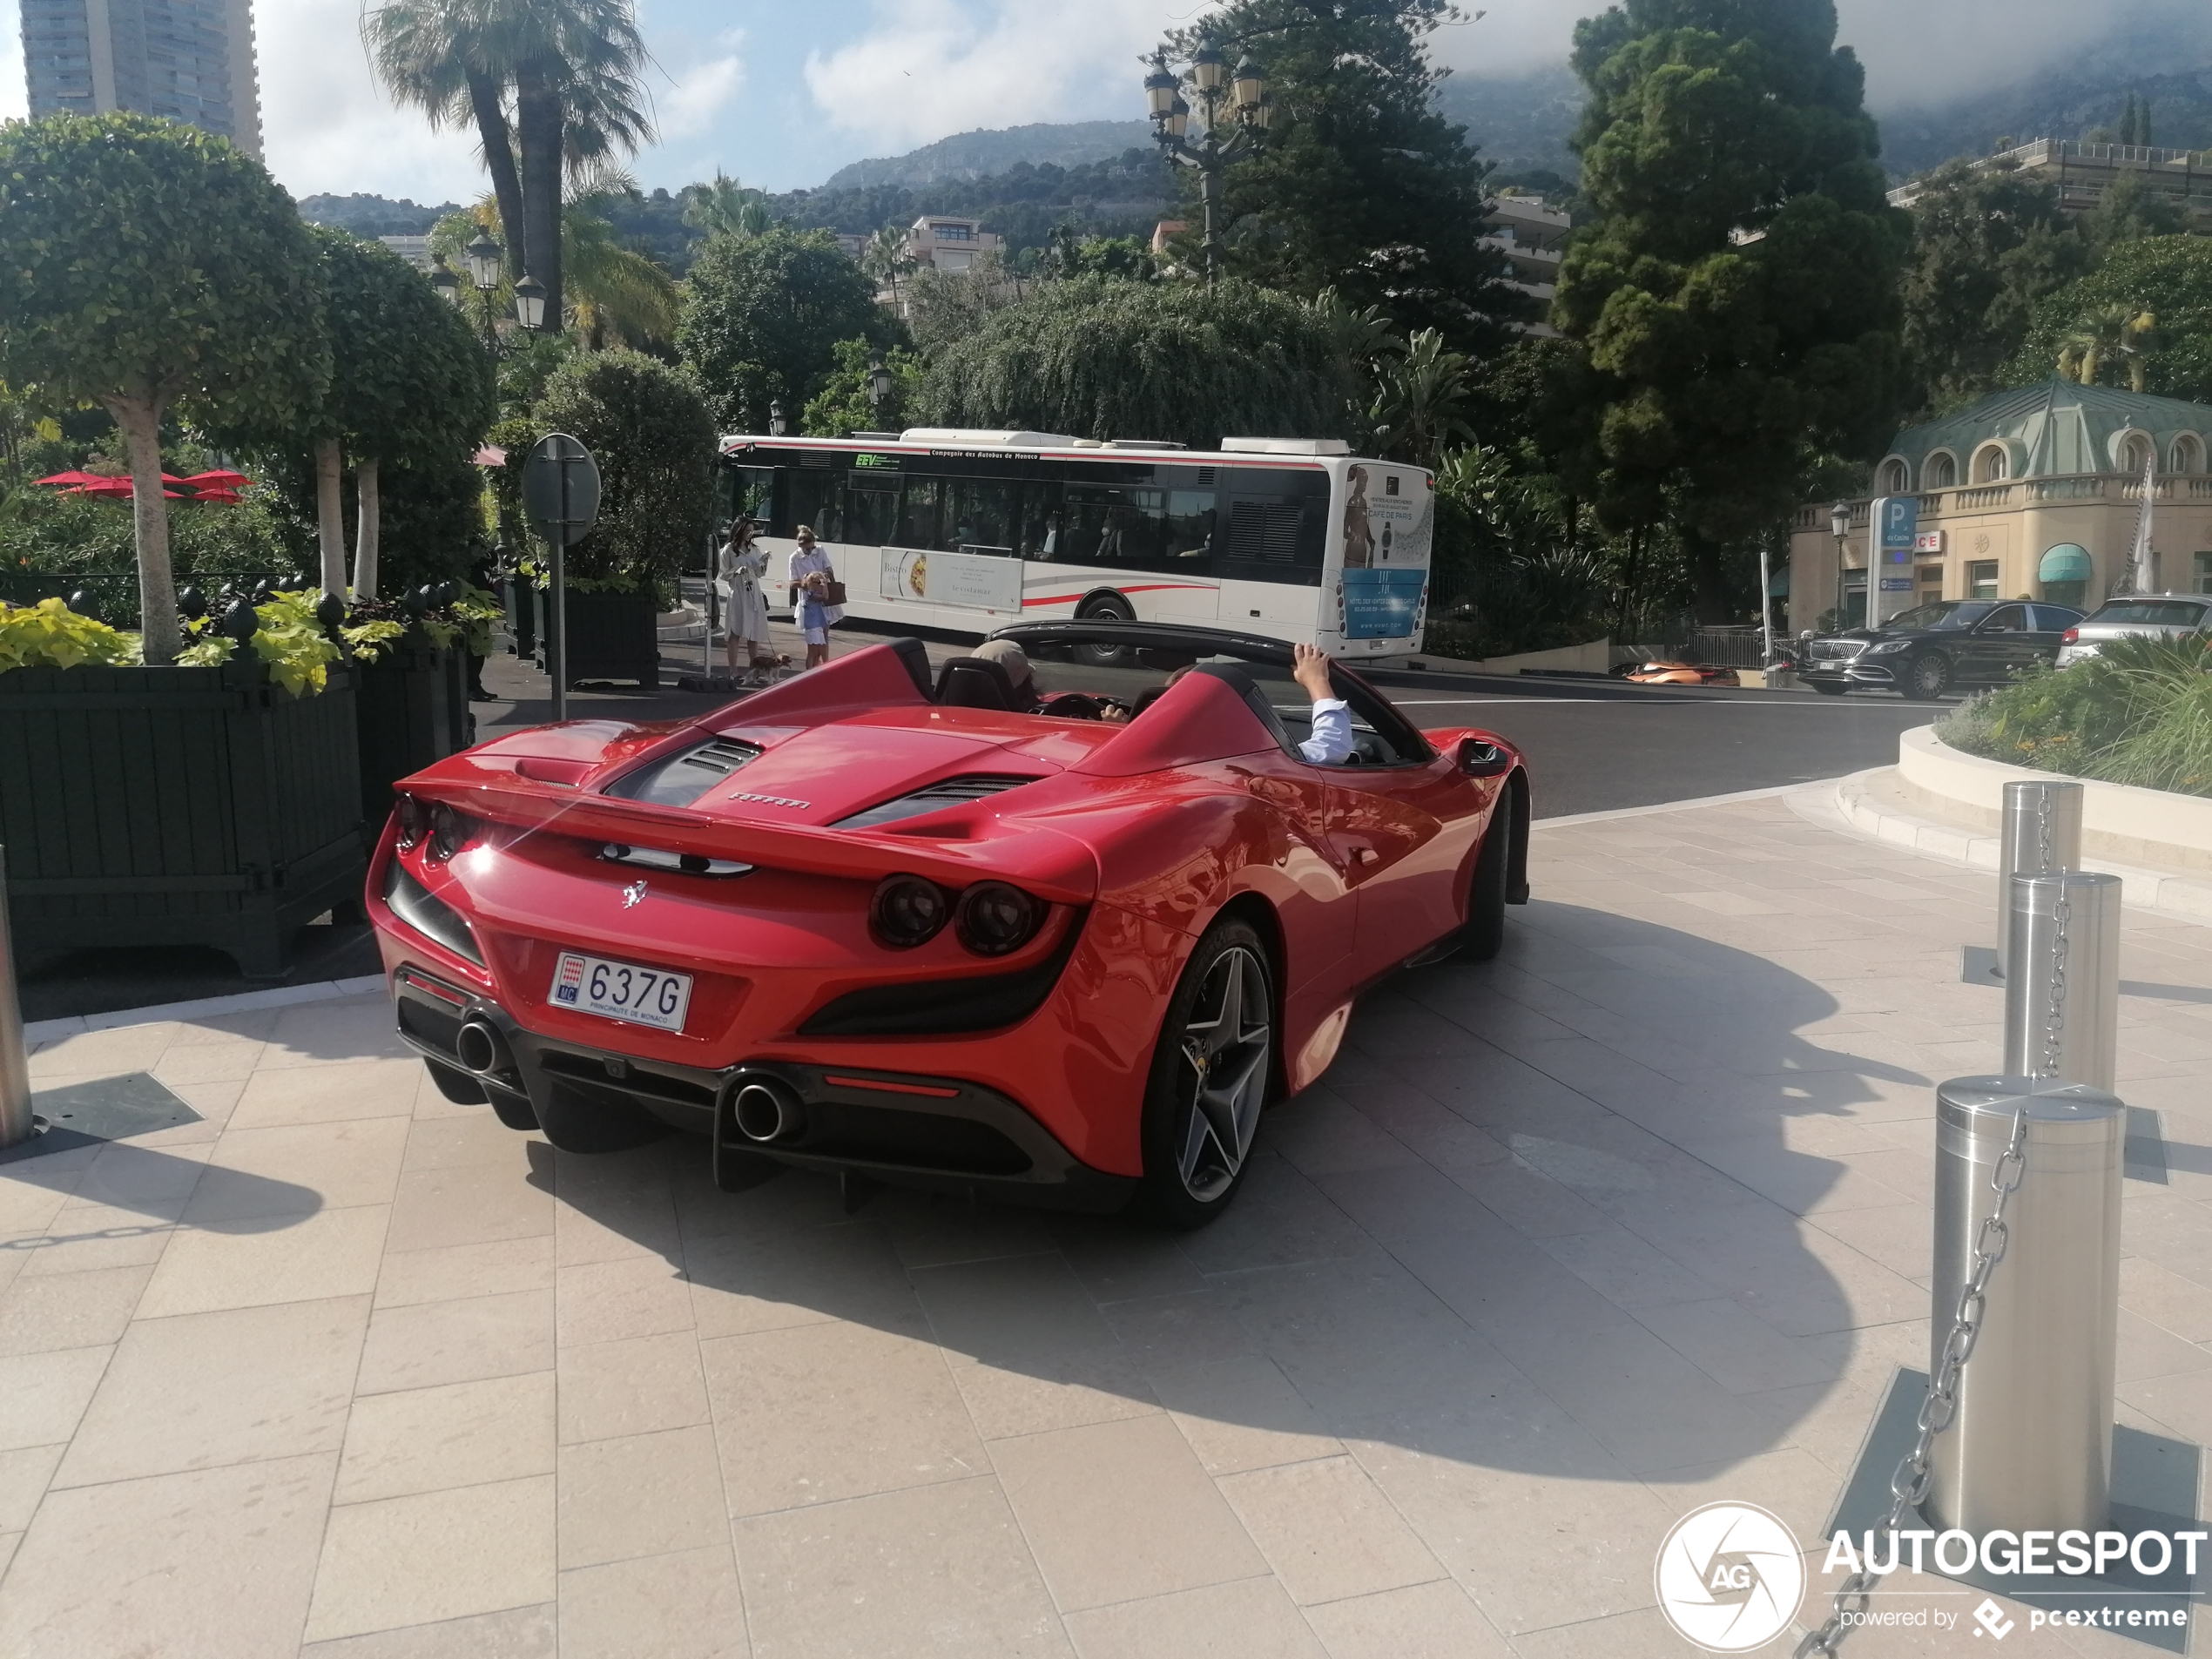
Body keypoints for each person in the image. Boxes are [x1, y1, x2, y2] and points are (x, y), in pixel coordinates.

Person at [718, 519, 775, 685]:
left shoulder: (754, 550)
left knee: (753, 632)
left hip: (753, 592)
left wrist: (764, 561)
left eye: (752, 531)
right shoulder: (728, 550)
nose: (750, 534)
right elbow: (722, 574)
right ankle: (733, 671)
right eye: (747, 531)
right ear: (740, 531)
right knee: (735, 631)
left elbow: (759, 573)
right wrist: (736, 571)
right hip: (737, 593)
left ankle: (754, 671)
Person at [789, 526, 841, 670]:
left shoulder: (820, 551)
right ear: (800, 546)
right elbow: (793, 582)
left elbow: (829, 569)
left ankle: (824, 667)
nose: (810, 551)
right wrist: (806, 583)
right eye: (806, 549)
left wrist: (826, 577)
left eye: (811, 548)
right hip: (809, 603)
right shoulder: (795, 558)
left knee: (824, 637)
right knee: (813, 642)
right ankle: (813, 670)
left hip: (823, 598)